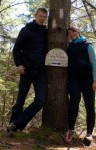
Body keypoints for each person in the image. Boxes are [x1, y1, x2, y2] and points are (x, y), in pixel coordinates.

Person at [7, 7, 48, 136]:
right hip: (26, 70)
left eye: (44, 17)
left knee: (40, 100)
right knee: (20, 100)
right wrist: (19, 64)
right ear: (35, 15)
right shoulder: (26, 30)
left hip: (40, 72)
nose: (42, 18)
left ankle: (16, 124)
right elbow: (16, 49)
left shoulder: (46, 33)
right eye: (40, 16)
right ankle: (11, 129)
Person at [64, 26, 96, 144]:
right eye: (69, 34)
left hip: (88, 80)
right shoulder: (69, 48)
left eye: (73, 32)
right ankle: (70, 130)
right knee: (74, 101)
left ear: (78, 32)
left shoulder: (88, 46)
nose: (71, 34)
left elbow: (94, 64)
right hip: (74, 80)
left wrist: (95, 80)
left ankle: (89, 134)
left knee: (90, 105)